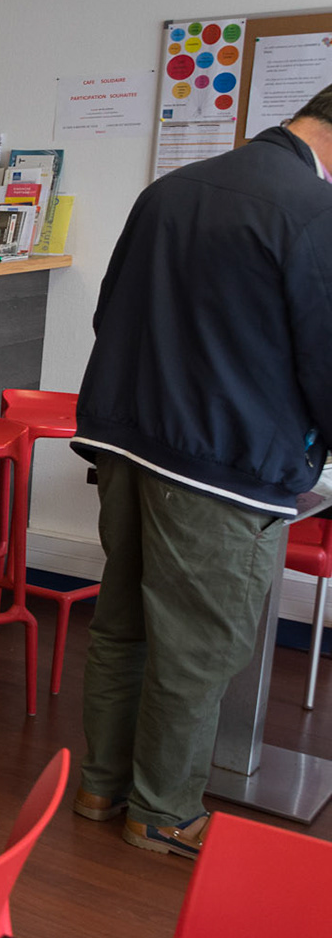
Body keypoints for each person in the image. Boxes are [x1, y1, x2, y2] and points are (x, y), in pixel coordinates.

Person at [70, 86, 332, 859]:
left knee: (122, 624)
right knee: (199, 645)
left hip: (127, 444)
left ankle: (101, 788)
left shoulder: (171, 189)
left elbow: (109, 311)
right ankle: (163, 812)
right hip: (220, 466)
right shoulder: (312, 213)